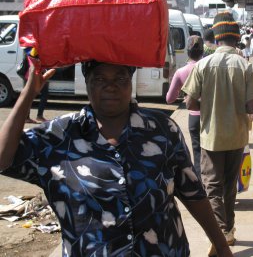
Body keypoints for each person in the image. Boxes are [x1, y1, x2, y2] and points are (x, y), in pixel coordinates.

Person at [0, 59, 233, 257]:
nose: (111, 87)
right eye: (100, 79)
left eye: (120, 78)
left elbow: (192, 192)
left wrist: (222, 248)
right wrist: (29, 92)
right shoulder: (58, 136)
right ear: (87, 82)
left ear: (131, 82)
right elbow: (3, 159)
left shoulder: (162, 129)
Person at [181, 11, 253, 256]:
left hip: (211, 136)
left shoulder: (203, 65)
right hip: (237, 136)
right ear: (237, 39)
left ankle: (220, 235)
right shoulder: (246, 67)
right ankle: (227, 230)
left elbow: (189, 103)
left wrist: (209, 106)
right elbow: (252, 107)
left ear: (216, 39)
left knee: (212, 187)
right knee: (229, 187)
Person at [166, 35, 204, 177]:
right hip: (212, 117)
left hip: (194, 118)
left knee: (197, 152)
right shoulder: (207, 68)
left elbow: (170, 99)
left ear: (188, 52)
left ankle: (201, 184)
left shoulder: (181, 72)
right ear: (202, 52)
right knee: (214, 153)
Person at [21, 51, 50, 123]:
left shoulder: (28, 48)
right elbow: (36, 60)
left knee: (28, 96)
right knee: (44, 94)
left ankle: (27, 117)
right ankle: (39, 116)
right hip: (35, 74)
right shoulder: (35, 49)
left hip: (30, 74)